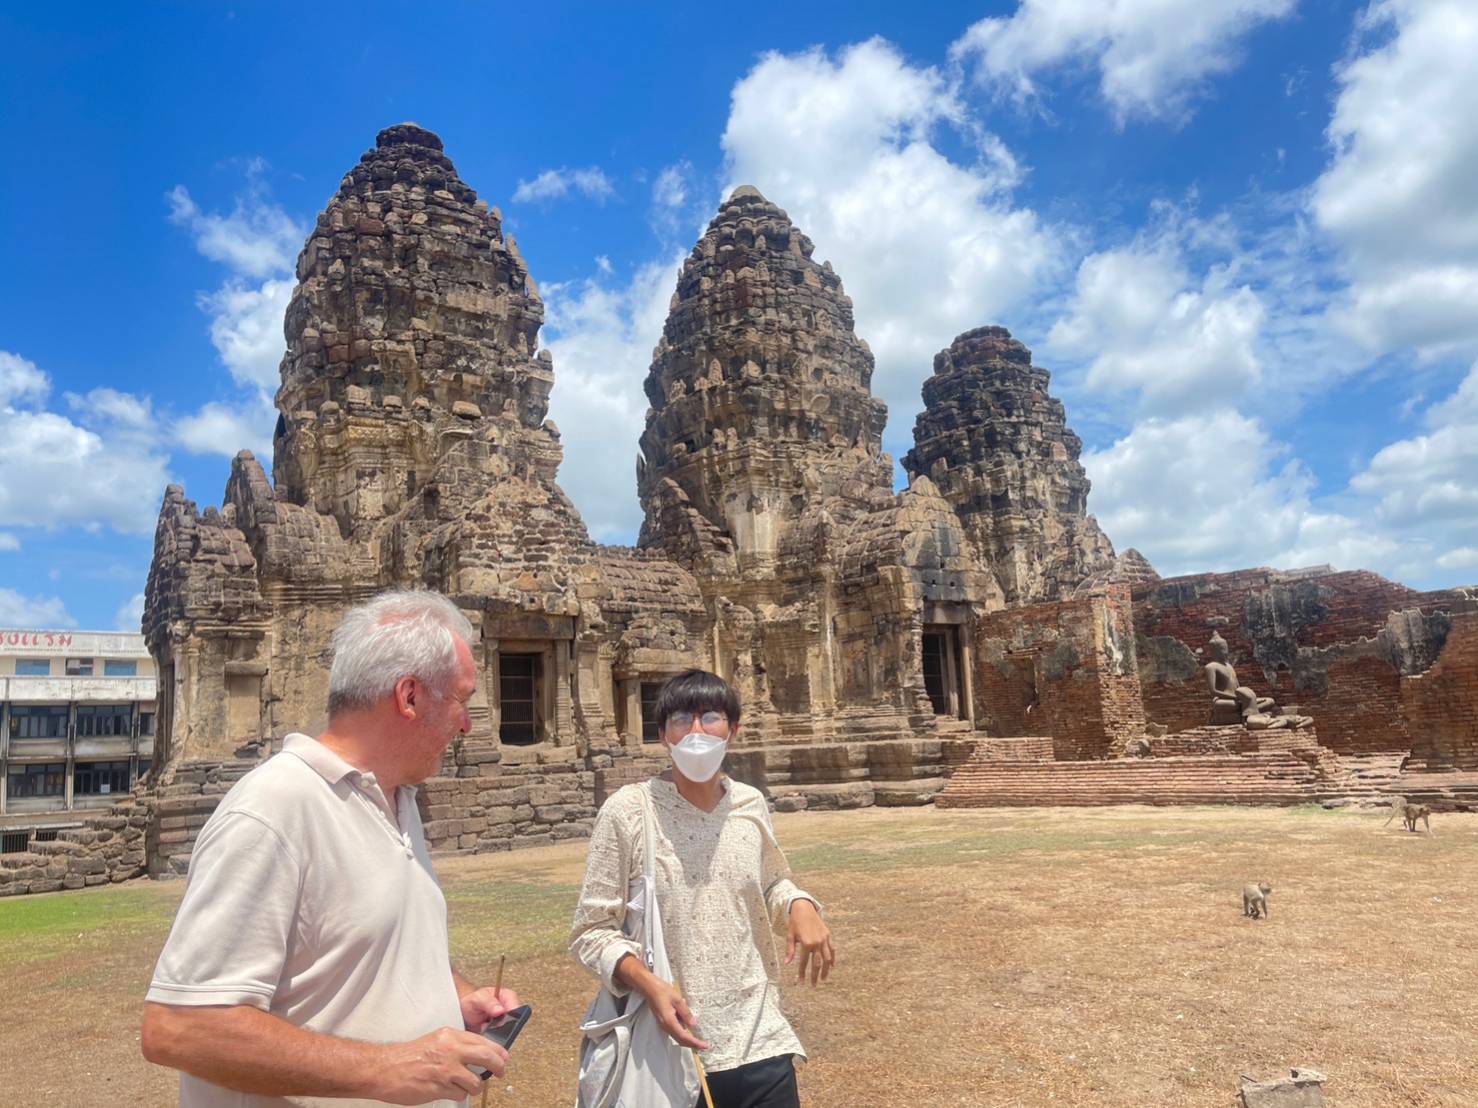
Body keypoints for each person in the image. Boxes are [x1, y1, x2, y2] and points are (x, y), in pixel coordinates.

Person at [141, 590, 519, 1107]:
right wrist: (384, 1068)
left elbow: (366, 953)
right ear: (409, 696)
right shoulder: (274, 809)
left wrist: (458, 1000)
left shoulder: (397, 800)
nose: (467, 724)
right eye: (462, 699)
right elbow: (179, 1027)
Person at [570, 669, 835, 1108]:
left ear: (733, 730)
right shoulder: (628, 811)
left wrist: (800, 903)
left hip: (760, 1036)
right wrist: (648, 984)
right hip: (672, 1043)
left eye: (710, 717)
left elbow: (771, 881)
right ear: (662, 735)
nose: (696, 731)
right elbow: (591, 931)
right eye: (680, 719)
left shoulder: (749, 803)